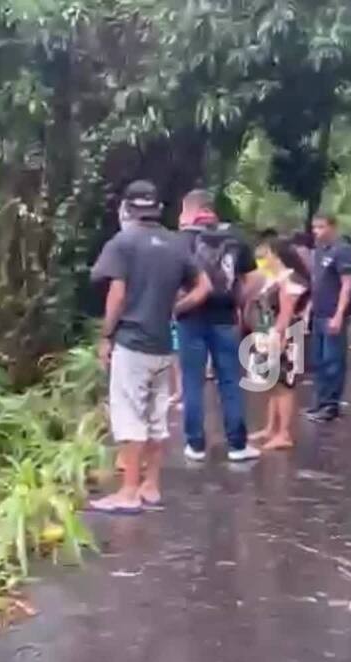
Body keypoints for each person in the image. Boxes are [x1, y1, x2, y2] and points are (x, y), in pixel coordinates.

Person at [91, 180, 211, 514]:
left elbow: (117, 294)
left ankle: (128, 492)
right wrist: (177, 309)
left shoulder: (123, 242)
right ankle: (151, 487)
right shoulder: (176, 244)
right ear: (157, 208)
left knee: (129, 417)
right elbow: (205, 286)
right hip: (162, 344)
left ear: (127, 208)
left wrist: (105, 335)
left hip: (132, 343)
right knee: (157, 418)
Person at [175, 189, 261, 462]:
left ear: (190, 210)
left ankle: (195, 445)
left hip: (190, 318)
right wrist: (239, 303)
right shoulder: (235, 237)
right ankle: (237, 445)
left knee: (192, 382)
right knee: (229, 381)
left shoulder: (180, 241)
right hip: (225, 319)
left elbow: (171, 280)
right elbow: (254, 280)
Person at [249, 239, 310, 450]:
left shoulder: (290, 280)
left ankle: (283, 433)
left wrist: (279, 338)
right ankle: (270, 427)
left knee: (284, 385)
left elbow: (286, 313)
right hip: (270, 333)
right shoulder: (274, 278)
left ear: (277, 256)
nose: (263, 261)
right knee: (272, 383)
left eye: (266, 256)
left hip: (285, 335)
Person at [306, 214, 351, 423]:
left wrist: (339, 314)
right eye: (314, 227)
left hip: (332, 314)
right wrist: (308, 308)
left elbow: (347, 284)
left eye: (321, 227)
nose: (316, 231)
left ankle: (331, 405)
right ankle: (320, 401)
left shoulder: (342, 250)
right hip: (318, 312)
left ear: (332, 227)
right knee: (317, 360)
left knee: (332, 360)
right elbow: (316, 282)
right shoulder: (319, 251)